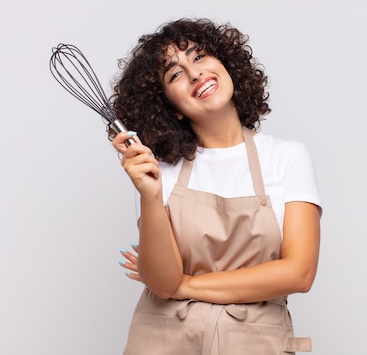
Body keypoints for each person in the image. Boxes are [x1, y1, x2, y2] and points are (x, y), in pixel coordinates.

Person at [109, 17, 322, 354]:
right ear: (170, 107)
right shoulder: (156, 170)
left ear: (226, 64)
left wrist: (187, 285)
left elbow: (299, 273)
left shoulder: (287, 157)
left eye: (199, 56)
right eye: (175, 74)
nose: (194, 73)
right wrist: (150, 196)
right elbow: (163, 284)